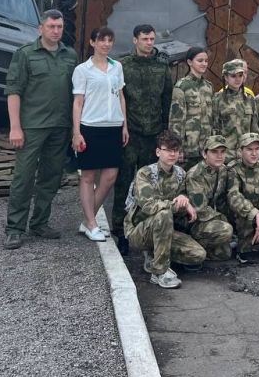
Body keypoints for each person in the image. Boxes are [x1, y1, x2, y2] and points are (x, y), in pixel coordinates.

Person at [3, 9, 78, 249]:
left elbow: (77, 93)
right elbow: (14, 91)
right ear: (41, 28)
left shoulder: (70, 55)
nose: (56, 31)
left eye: (59, 27)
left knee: (51, 177)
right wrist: (15, 127)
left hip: (60, 126)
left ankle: (40, 222)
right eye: (51, 27)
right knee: (23, 177)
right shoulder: (25, 55)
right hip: (32, 126)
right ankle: (15, 228)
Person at [113, 23, 174, 254]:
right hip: (131, 133)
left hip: (154, 135)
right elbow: (119, 98)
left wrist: (166, 133)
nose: (149, 43)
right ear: (134, 40)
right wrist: (121, 127)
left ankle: (145, 228)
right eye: (145, 39)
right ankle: (120, 231)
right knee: (124, 182)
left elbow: (167, 100)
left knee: (150, 185)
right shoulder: (123, 65)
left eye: (152, 39)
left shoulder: (162, 67)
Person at [123, 131, 205, 288]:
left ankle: (154, 255)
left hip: (164, 230)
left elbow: (182, 206)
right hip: (139, 231)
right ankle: (159, 272)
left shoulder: (180, 174)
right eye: (167, 150)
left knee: (198, 255)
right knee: (163, 213)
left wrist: (184, 200)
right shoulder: (146, 174)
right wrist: (175, 204)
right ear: (158, 152)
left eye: (175, 150)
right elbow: (149, 206)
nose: (172, 154)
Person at [71, 27, 128, 241]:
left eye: (109, 40)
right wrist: (76, 132)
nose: (106, 44)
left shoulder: (117, 67)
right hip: (90, 127)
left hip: (113, 126)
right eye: (101, 40)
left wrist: (124, 125)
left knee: (110, 176)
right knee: (88, 176)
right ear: (93, 42)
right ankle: (92, 222)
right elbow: (78, 102)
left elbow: (121, 96)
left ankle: (88, 220)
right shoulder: (83, 70)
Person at [225, 132, 259, 263]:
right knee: (246, 221)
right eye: (249, 149)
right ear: (240, 151)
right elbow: (234, 197)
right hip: (238, 215)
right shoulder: (232, 169)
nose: (254, 153)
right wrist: (255, 213)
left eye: (257, 149)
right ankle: (239, 244)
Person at [184, 135, 235, 263]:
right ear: (204, 154)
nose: (219, 156)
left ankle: (205, 250)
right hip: (194, 222)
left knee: (224, 255)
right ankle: (192, 246)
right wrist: (223, 219)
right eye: (214, 152)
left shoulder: (223, 170)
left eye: (222, 152)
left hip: (210, 220)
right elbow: (200, 209)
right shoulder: (195, 175)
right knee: (226, 230)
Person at [169, 46, 214, 169]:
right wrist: (177, 147)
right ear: (189, 62)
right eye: (200, 61)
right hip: (189, 148)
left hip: (206, 147)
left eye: (206, 61)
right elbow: (176, 121)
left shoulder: (208, 87)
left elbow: (211, 118)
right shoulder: (182, 86)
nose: (204, 64)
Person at [211, 59, 259, 161]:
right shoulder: (218, 99)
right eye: (233, 76)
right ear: (226, 77)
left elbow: (255, 128)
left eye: (240, 75)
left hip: (246, 155)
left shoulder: (250, 99)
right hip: (226, 155)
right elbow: (214, 129)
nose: (237, 79)